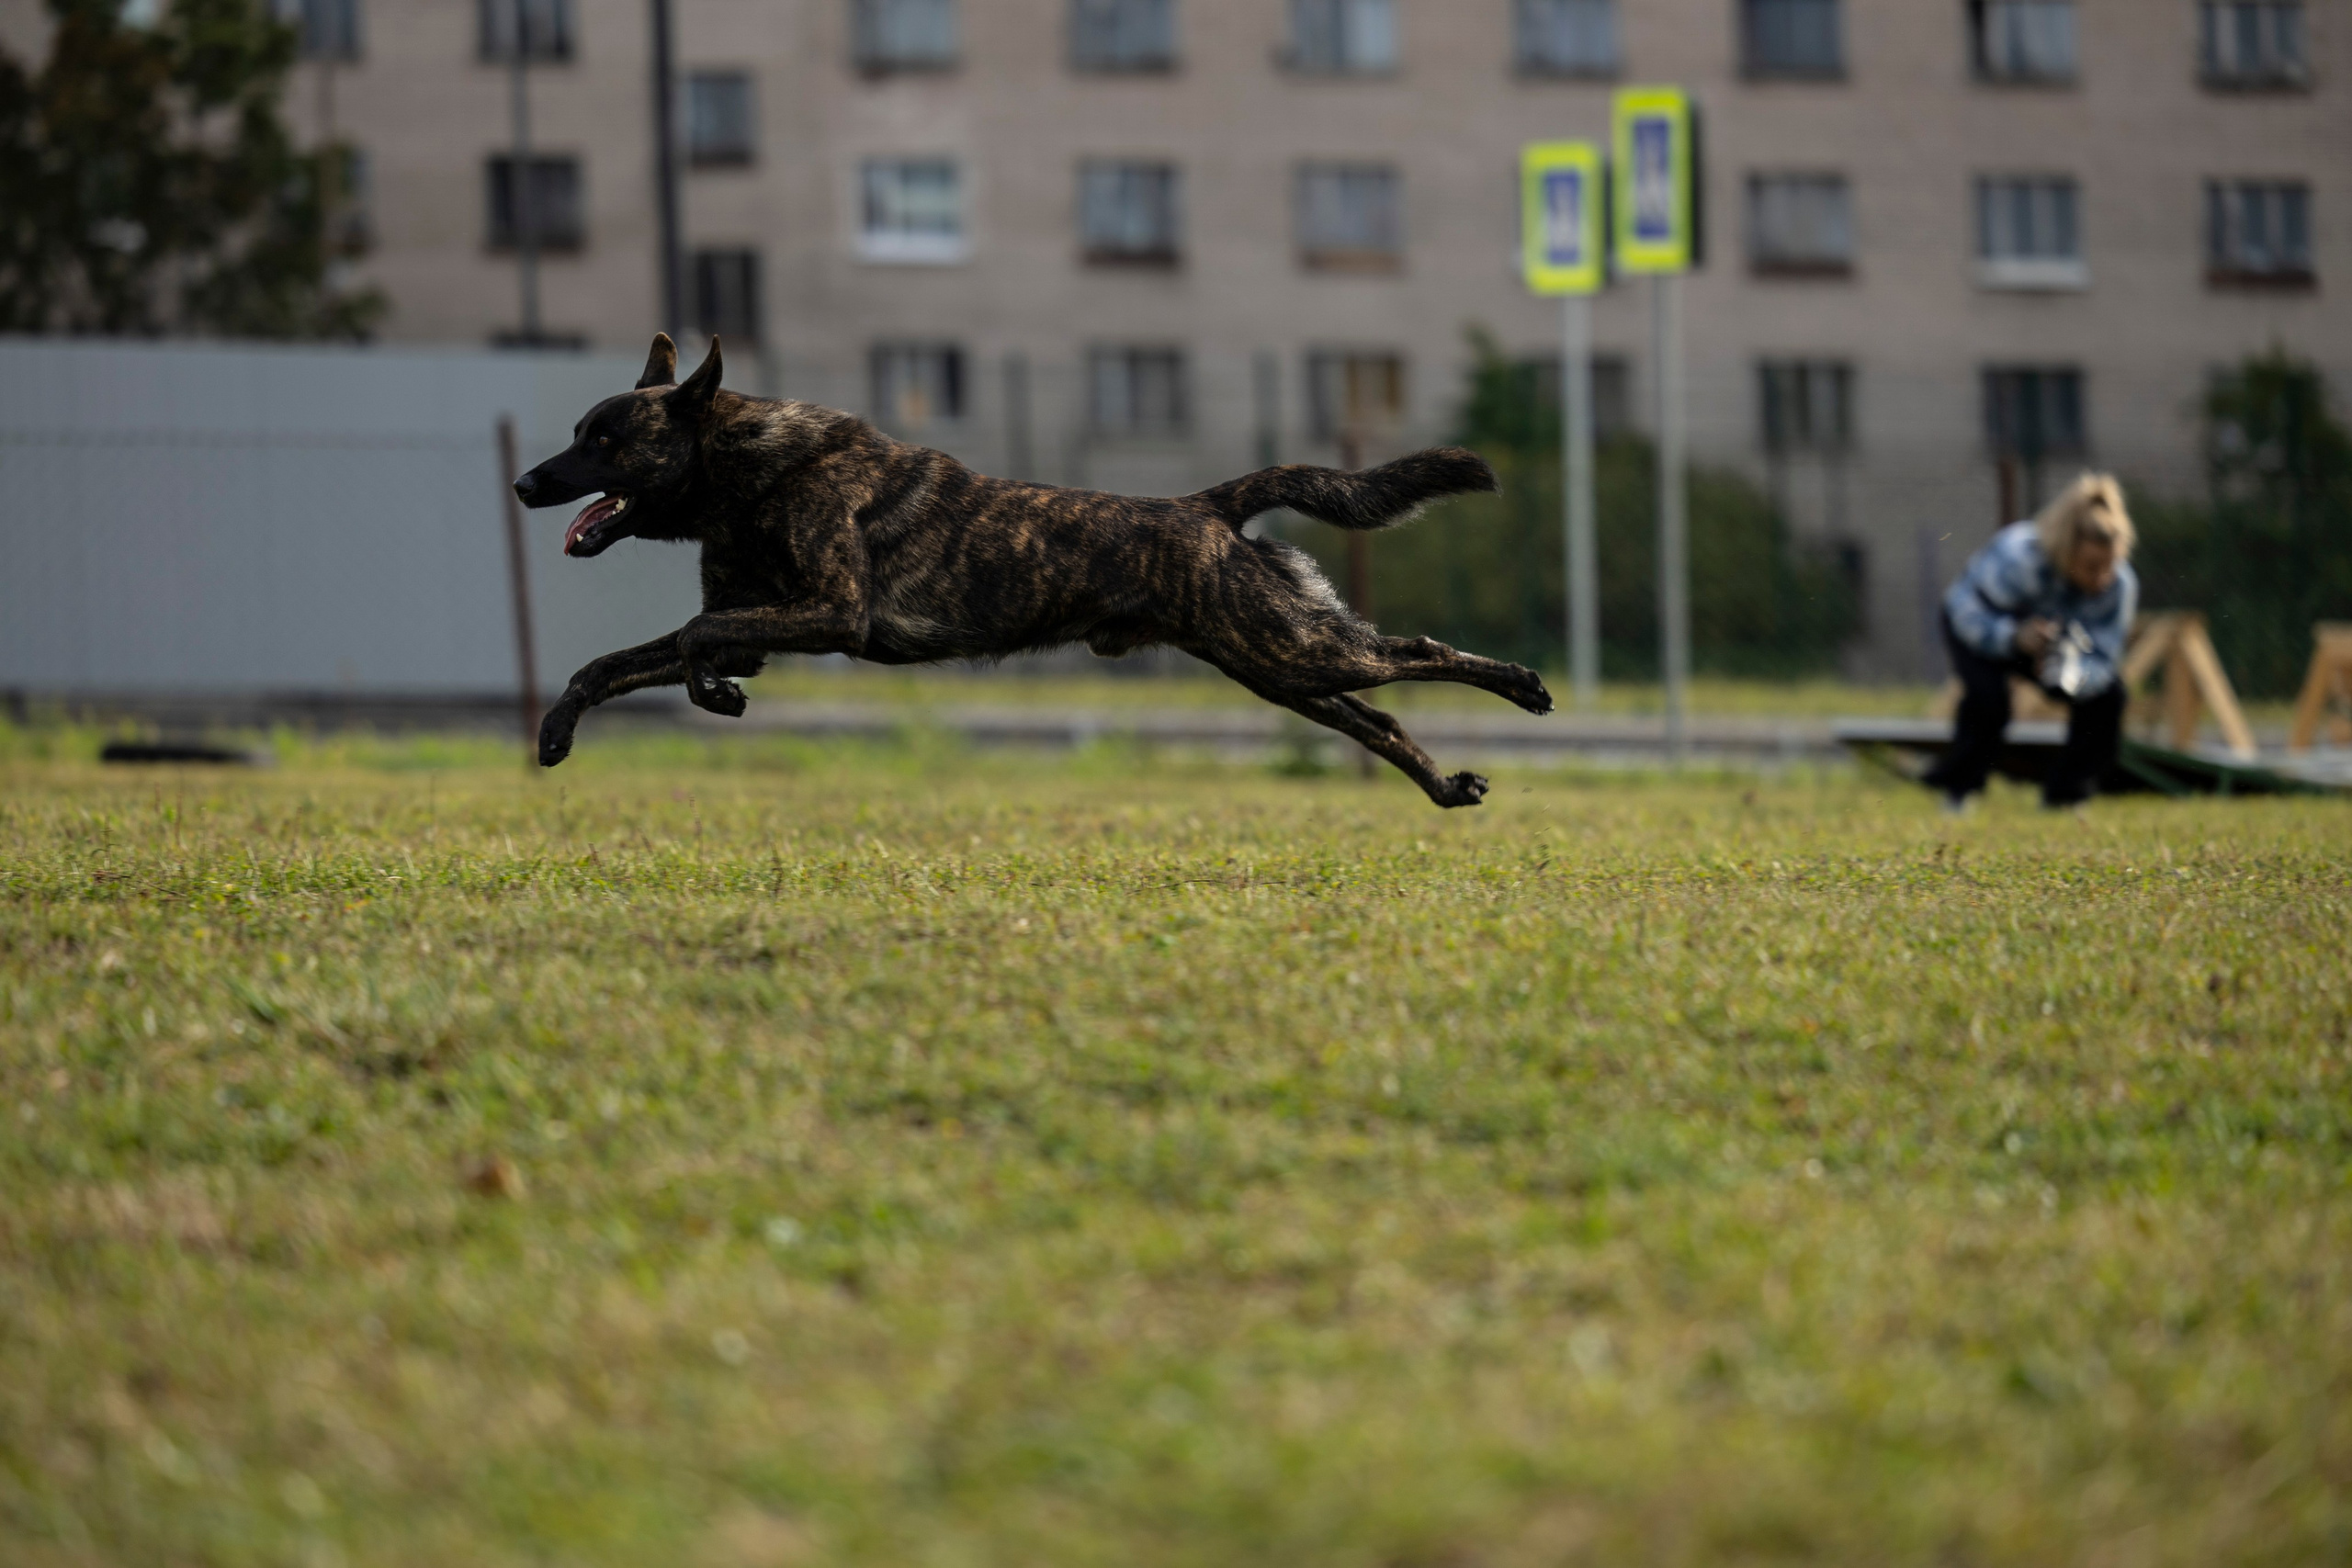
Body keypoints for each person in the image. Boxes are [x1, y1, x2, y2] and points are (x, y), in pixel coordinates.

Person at [1927, 472, 2139, 812]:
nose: (2101, 578)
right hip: (1978, 627)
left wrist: (2071, 675)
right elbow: (1969, 615)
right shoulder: (2020, 557)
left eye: (2109, 566)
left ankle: (2066, 796)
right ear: (2066, 550)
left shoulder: (2120, 586)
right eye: (2090, 567)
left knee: (2108, 697)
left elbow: (2104, 657)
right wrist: (2013, 638)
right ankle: (1958, 791)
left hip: (2052, 649)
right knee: (1989, 700)